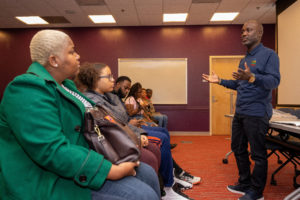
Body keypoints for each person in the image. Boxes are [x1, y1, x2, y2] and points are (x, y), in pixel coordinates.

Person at [0, 30, 160, 200]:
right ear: (54, 60)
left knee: (147, 173)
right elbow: (52, 150)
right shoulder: (26, 89)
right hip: (48, 179)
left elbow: (97, 123)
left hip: (81, 160)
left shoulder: (67, 86)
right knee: (142, 195)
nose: (78, 55)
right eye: (71, 51)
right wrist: (110, 170)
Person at [76, 63, 196, 200]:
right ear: (95, 79)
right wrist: (138, 134)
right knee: (156, 147)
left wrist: (138, 131)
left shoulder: (109, 96)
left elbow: (122, 118)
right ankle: (167, 187)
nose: (113, 80)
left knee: (159, 137)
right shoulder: (92, 99)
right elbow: (119, 120)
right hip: (116, 140)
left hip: (126, 130)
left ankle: (169, 182)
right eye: (108, 77)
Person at [202, 20, 280, 200]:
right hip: (241, 111)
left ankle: (256, 192)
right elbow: (239, 84)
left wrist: (253, 78)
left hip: (257, 112)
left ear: (259, 33)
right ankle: (244, 182)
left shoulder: (269, 55)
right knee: (237, 148)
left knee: (258, 154)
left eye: (249, 30)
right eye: (242, 30)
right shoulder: (244, 59)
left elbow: (274, 81)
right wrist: (220, 80)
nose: (243, 33)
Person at [114, 77, 201, 184]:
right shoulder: (116, 99)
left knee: (163, 131)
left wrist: (144, 120)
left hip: (133, 124)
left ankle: (175, 172)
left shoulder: (117, 99)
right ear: (117, 84)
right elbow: (121, 118)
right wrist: (130, 123)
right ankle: (170, 181)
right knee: (162, 138)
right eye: (125, 88)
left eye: (128, 88)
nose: (127, 91)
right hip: (130, 128)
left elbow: (128, 116)